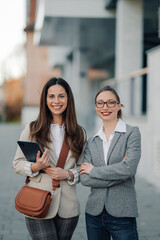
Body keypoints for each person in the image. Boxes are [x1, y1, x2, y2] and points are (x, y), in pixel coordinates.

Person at [13, 77, 86, 240]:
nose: (56, 101)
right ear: (45, 100)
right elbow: (16, 164)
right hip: (37, 201)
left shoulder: (79, 133)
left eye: (61, 96)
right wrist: (35, 167)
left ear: (68, 99)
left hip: (68, 206)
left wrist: (66, 174)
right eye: (51, 96)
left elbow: (83, 169)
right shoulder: (33, 129)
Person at [80, 85, 141, 240]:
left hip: (123, 213)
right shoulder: (91, 141)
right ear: (95, 107)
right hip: (94, 214)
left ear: (118, 106)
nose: (105, 107)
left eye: (110, 102)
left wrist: (94, 171)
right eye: (100, 103)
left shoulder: (131, 133)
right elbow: (85, 179)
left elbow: (128, 170)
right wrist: (118, 175)